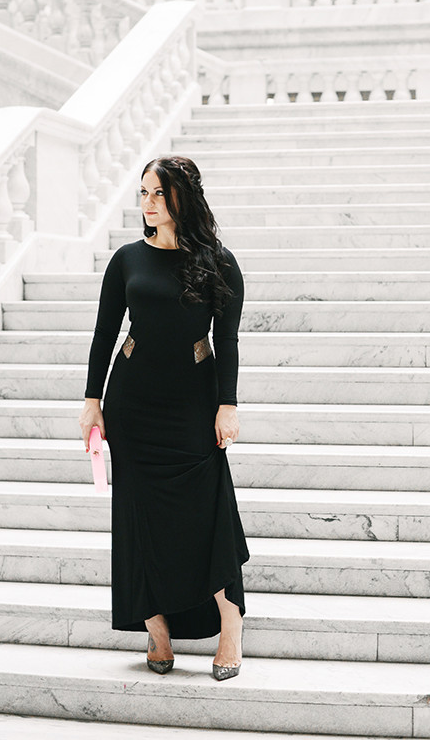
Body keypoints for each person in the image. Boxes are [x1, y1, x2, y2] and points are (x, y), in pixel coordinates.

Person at [78, 154, 249, 681]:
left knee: (206, 514)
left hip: (193, 408)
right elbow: (105, 333)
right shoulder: (126, 259)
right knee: (138, 519)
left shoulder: (218, 261)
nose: (148, 203)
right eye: (143, 193)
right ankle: (157, 634)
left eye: (157, 193)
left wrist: (228, 403)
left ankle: (230, 626)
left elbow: (228, 339)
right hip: (132, 407)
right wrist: (92, 402)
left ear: (181, 198)